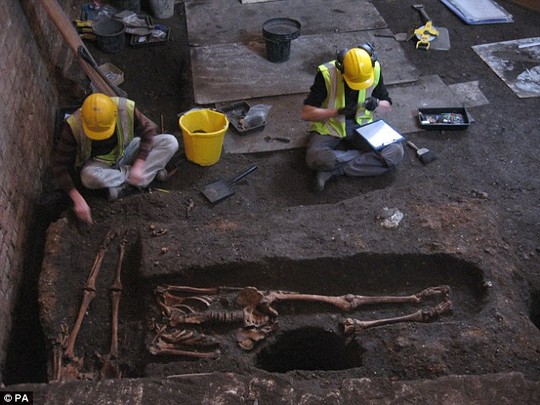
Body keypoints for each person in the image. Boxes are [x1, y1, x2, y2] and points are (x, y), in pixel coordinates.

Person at [53, 93, 179, 224]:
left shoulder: (125, 108)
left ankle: (126, 186)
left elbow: (149, 130)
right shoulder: (73, 126)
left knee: (170, 142)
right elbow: (60, 166)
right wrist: (78, 200)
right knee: (87, 177)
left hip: (127, 148)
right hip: (99, 164)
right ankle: (144, 178)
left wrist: (139, 163)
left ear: (114, 115)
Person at [301, 43, 404, 193]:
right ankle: (363, 159)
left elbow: (387, 106)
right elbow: (307, 113)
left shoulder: (373, 69)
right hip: (330, 126)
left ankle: (335, 170)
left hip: (362, 126)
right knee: (315, 158)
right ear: (341, 70)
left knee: (395, 153)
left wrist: (376, 104)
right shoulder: (327, 74)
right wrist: (336, 112)